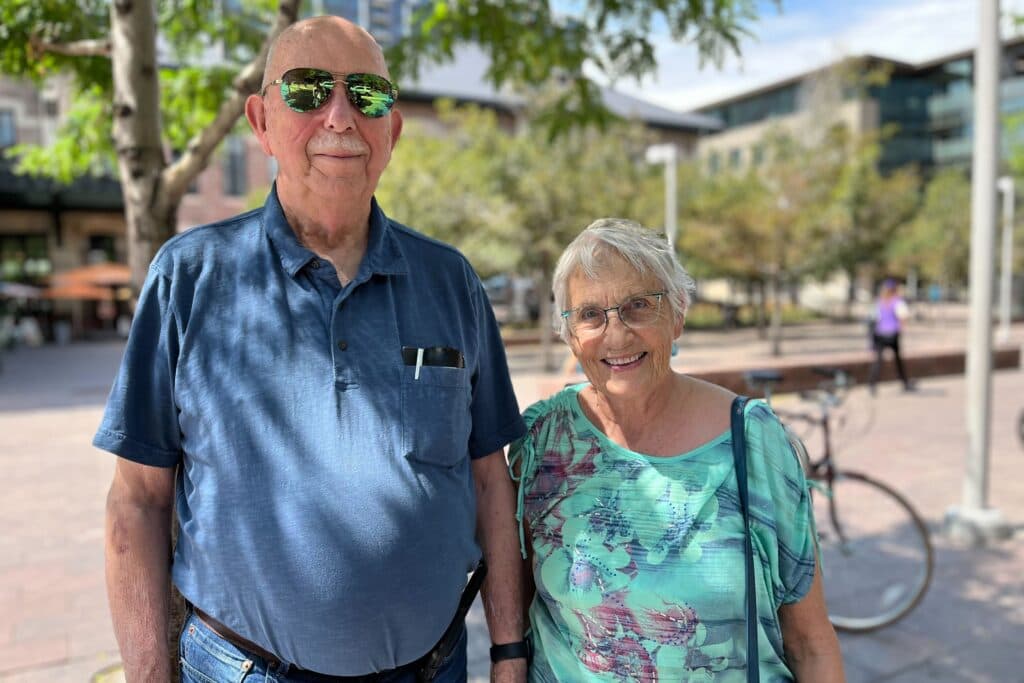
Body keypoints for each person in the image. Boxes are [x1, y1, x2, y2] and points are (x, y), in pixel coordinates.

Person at [94, 16, 528, 683]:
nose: (339, 115)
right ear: (260, 120)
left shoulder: (451, 281)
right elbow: (137, 502)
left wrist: (507, 651)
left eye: (367, 95)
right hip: (243, 671)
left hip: (433, 668)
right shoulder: (190, 276)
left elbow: (490, 479)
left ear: (393, 131)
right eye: (305, 90)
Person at [509, 218, 845, 681]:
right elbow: (519, 611)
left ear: (679, 313)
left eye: (639, 305)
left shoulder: (754, 441)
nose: (616, 333)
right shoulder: (545, 441)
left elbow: (810, 641)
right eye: (590, 314)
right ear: (568, 333)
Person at [868, 278, 913, 393]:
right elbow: (903, 316)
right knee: (897, 360)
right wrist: (900, 327)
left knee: (878, 361)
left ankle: (872, 385)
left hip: (880, 333)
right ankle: (905, 383)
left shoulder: (879, 302)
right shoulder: (897, 301)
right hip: (892, 334)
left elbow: (873, 318)